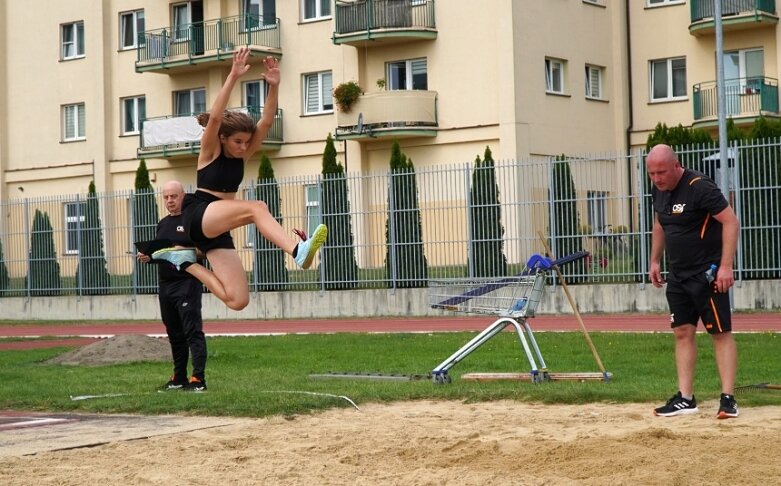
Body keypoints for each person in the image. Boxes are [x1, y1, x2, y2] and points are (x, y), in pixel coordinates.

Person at [152, 47, 327, 311]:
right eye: (238, 142)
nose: (244, 147)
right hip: (199, 212)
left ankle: (185, 261)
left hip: (217, 227)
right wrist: (233, 75)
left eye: (247, 142)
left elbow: (266, 121)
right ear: (223, 138)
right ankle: (297, 251)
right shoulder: (210, 151)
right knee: (257, 208)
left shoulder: (242, 154)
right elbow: (215, 118)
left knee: (238, 300)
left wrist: (274, 85)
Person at [647, 143, 740, 419]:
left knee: (719, 332)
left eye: (661, 172)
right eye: (652, 174)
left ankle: (728, 399)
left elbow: (731, 222)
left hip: (707, 273)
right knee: (682, 332)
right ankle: (686, 398)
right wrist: (654, 260)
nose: (657, 179)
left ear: (676, 166)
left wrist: (725, 266)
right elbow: (660, 224)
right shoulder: (658, 190)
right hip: (678, 275)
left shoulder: (700, 187)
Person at [138, 180, 208, 392]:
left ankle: (198, 379)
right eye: (166, 197)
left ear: (182, 196)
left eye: (174, 196)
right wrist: (149, 256)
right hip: (165, 285)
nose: (170, 200)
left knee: (192, 331)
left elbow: (204, 252)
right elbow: (162, 253)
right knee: (174, 333)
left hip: (187, 282)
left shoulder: (193, 221)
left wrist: (182, 251)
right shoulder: (162, 223)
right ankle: (179, 377)